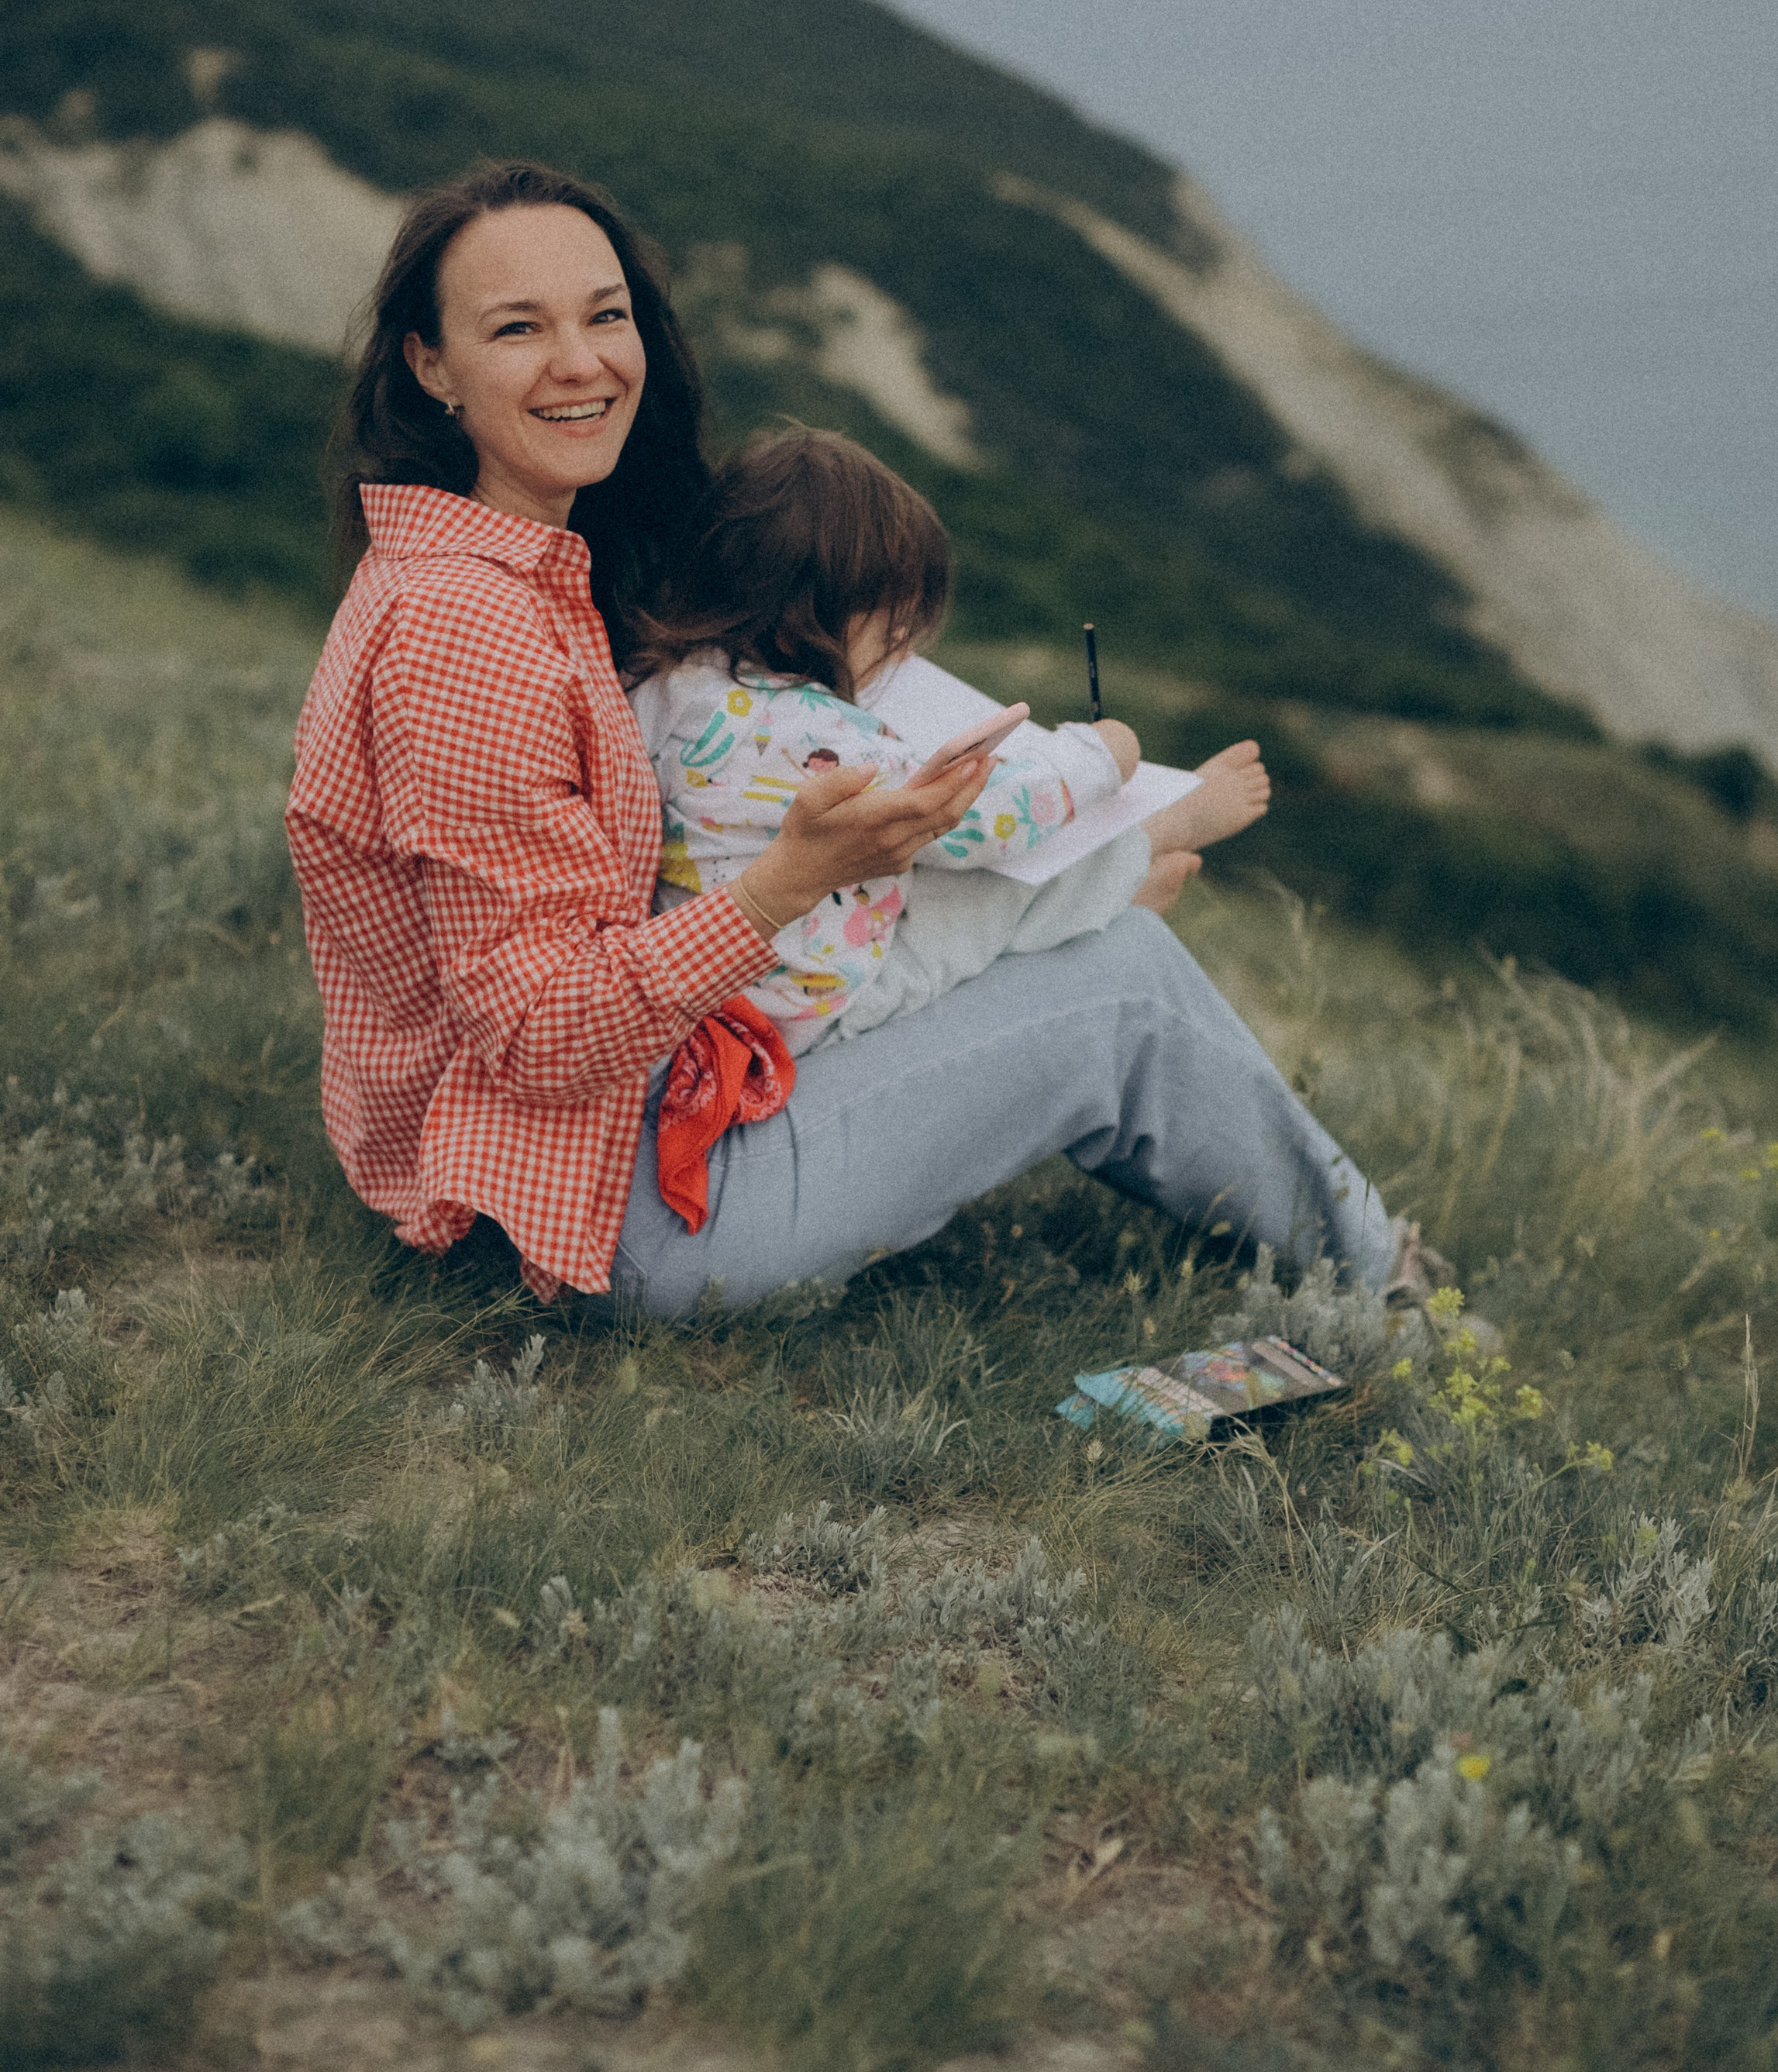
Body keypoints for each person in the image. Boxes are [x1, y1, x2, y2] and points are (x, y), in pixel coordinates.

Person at [286, 157, 1399, 1319]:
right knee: (1127, 990)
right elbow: (539, 1037)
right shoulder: (464, 638)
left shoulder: (504, 572)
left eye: (606, 316)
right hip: (608, 1206)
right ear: (430, 366)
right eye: (518, 328)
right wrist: (788, 882)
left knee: (1025, 927)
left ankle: (1108, 920)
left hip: (605, 1132)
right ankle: (1384, 1286)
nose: (581, 361)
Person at [625, 425, 1275, 1055]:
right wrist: (1101, 755)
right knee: (984, 894)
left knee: (935, 886)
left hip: (715, 983)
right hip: (809, 1008)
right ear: (803, 624)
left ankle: (1114, 885)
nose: (903, 652)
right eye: (891, 632)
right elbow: (982, 821)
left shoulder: (662, 680)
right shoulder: (824, 738)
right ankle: (1149, 840)